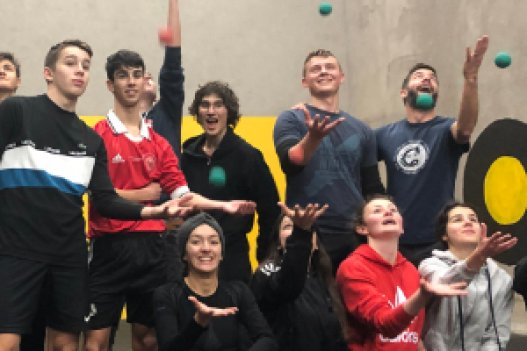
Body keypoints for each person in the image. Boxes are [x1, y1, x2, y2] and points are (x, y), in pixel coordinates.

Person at [0, 39, 192, 351]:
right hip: (16, 251)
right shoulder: (16, 111)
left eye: (85, 66)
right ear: (48, 72)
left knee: (66, 344)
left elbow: (104, 200)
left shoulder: (90, 139)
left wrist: (154, 212)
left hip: (69, 257)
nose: (79, 71)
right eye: (71, 63)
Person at [85, 49, 256, 351]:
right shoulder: (96, 136)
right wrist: (149, 202)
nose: (131, 82)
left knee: (148, 339)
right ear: (110, 85)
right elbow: (100, 196)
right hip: (108, 250)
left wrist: (222, 206)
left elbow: (181, 194)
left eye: (137, 75)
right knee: (95, 343)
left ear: (143, 81)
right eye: (123, 75)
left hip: (153, 250)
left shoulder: (159, 143)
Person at [375, 36, 489, 265]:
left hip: (439, 240)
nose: (427, 78)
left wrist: (470, 79)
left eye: (432, 78)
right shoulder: (384, 135)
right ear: (403, 92)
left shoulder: (446, 129)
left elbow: (465, 128)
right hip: (397, 239)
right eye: (419, 76)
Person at [273, 49, 384, 271]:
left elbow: (371, 187)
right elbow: (291, 163)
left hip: (352, 232)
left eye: (330, 67)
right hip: (308, 229)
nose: (323, 72)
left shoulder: (362, 130)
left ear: (341, 77)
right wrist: (312, 138)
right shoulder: (291, 118)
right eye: (316, 69)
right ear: (305, 81)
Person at [336, 195, 467, 351]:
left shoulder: (411, 270)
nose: (388, 213)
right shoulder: (353, 267)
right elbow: (385, 324)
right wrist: (422, 296)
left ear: (402, 227)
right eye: (377, 211)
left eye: (393, 210)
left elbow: (412, 336)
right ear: (362, 228)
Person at [181, 81, 280, 283]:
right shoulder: (187, 156)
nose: (211, 111)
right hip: (191, 256)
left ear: (229, 112)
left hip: (232, 257)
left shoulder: (248, 156)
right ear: (197, 113)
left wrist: (264, 256)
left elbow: (270, 210)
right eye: (205, 105)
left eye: (218, 105)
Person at [153, 212, 278, 351]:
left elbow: (267, 339)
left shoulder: (238, 291)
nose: (206, 248)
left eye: (213, 242)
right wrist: (198, 323)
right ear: (184, 254)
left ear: (221, 254)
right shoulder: (167, 295)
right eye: (196, 242)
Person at [418, 202, 516, 351]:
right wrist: (478, 257)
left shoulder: (501, 279)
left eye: (473, 219)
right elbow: (445, 285)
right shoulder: (429, 266)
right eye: (458, 219)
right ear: (444, 235)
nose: (468, 222)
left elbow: (496, 337)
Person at [251, 203, 348, 351]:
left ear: (316, 243)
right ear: (278, 242)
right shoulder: (267, 272)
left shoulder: (323, 280)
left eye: (307, 228)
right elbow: (289, 286)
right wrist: (301, 232)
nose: (295, 231)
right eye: (288, 227)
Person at [139, 0, 183, 157]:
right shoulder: (117, 122)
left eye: (148, 74)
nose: (147, 76)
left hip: (168, 182)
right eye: (139, 75)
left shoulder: (166, 112)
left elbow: (173, 65)